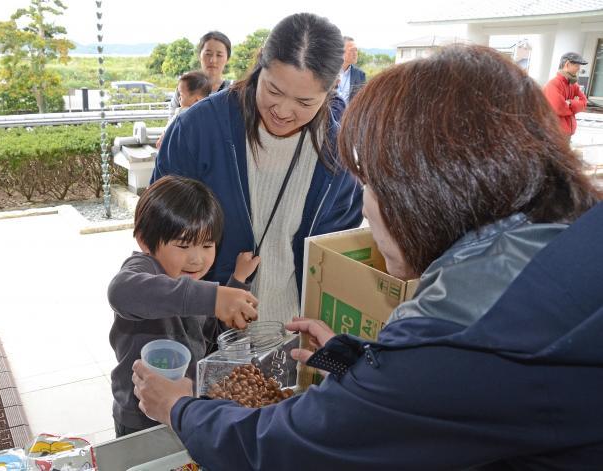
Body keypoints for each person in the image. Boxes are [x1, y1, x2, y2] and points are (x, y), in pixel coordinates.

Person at [133, 44, 603, 469]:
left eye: (371, 183)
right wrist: (362, 362)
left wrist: (180, 408)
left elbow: (293, 449)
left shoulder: (460, 333)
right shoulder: (558, 244)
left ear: (422, 195)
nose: (363, 204)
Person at [153, 13, 363, 324]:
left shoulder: (338, 153)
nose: (283, 111)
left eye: (305, 102)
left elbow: (337, 253)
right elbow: (158, 232)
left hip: (298, 335)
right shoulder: (198, 129)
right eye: (274, 91)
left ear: (332, 87)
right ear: (260, 62)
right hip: (209, 334)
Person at [107, 175, 260, 437]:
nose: (197, 259)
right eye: (183, 245)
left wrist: (237, 283)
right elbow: (121, 292)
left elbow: (211, 336)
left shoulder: (198, 284)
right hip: (140, 415)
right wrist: (213, 297)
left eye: (207, 245)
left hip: (183, 407)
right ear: (145, 240)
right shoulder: (144, 269)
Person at [168, 31, 232, 116]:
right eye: (208, 54)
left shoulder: (232, 91)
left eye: (219, 55)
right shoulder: (184, 87)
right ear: (199, 55)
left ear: (227, 58)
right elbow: (170, 124)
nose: (213, 60)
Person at [543, 51, 588, 137]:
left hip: (566, 133)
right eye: (576, 65)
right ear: (567, 64)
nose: (579, 68)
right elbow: (559, 108)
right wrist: (575, 105)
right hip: (554, 134)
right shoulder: (553, 84)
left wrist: (570, 103)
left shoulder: (574, 85)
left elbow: (584, 103)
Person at [336, 36, 366, 104]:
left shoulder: (360, 75)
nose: (355, 53)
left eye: (356, 50)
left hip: (349, 114)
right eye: (352, 50)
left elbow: (361, 100)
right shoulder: (328, 71)